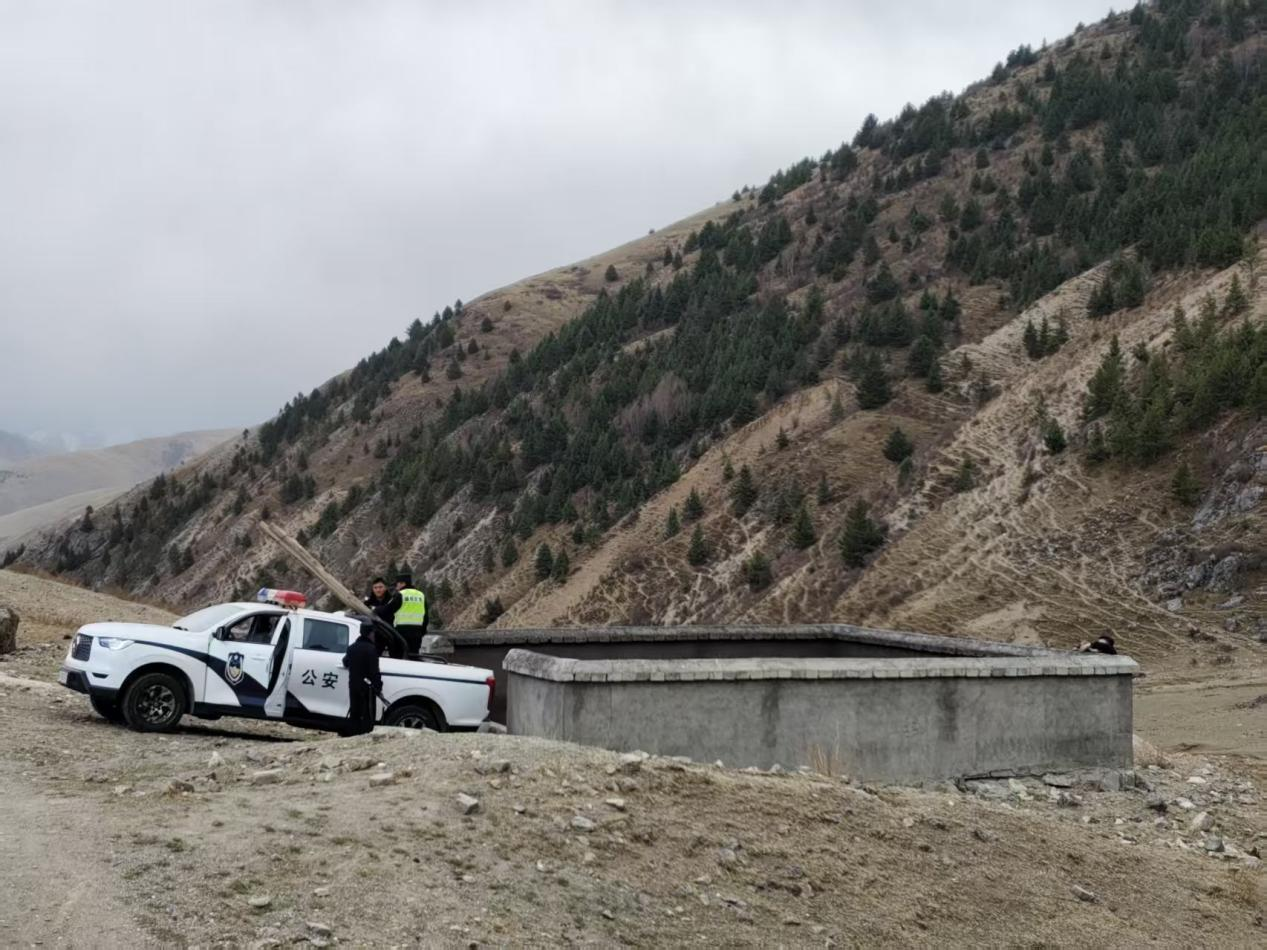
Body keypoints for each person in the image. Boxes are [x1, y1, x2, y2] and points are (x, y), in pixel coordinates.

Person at [341, 619, 382, 736]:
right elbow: (374, 671)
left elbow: (345, 662)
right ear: (370, 634)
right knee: (368, 713)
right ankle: (365, 735)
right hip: (367, 688)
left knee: (355, 712)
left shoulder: (352, 648)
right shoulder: (371, 649)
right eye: (373, 633)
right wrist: (378, 687)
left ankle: (352, 735)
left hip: (353, 685)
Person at [393, 572, 428, 655]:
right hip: (417, 634)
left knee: (399, 657)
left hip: (400, 633)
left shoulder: (400, 594)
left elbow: (387, 611)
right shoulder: (421, 595)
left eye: (397, 584)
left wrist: (376, 610)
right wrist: (421, 632)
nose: (396, 587)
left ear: (402, 583)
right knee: (414, 657)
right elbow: (426, 617)